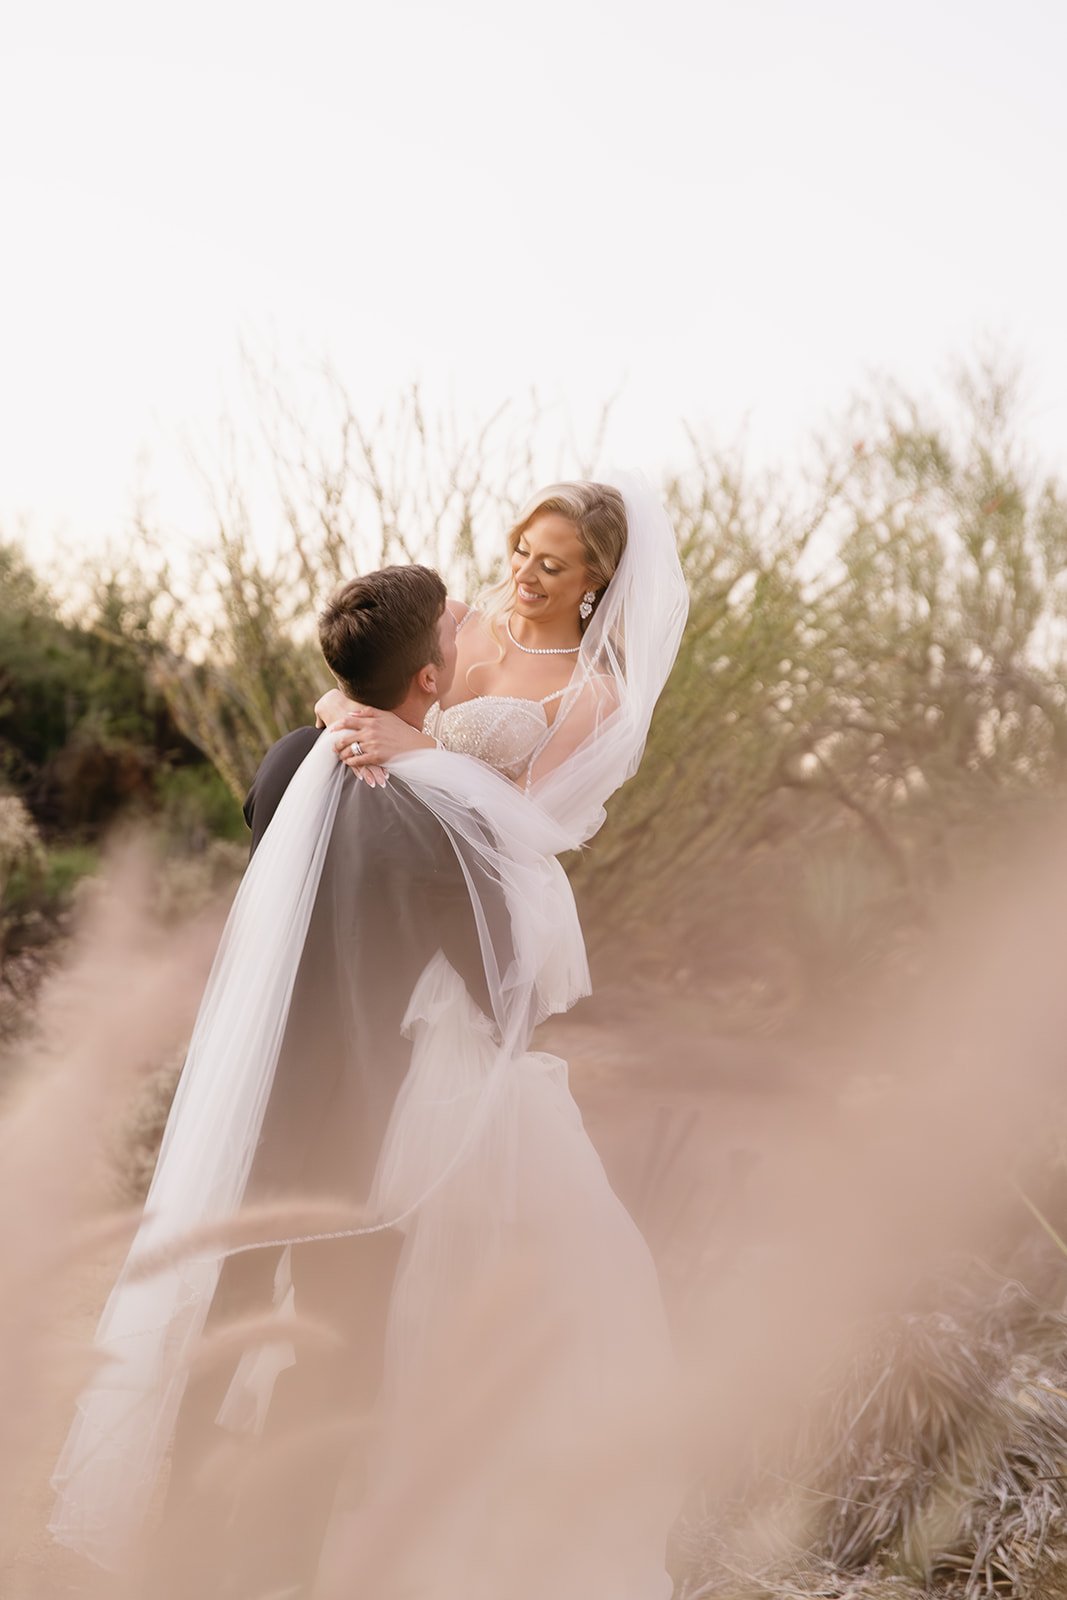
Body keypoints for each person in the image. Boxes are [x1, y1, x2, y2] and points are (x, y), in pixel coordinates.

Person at [50, 469, 689, 1600]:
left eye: (552, 563)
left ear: (598, 579)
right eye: (519, 550)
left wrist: (407, 750)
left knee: (421, 1252)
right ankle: (258, 1527)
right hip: (363, 909)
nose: (524, 575)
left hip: (444, 937)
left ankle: (369, 1512)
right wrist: (352, 721)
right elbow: (372, 694)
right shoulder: (458, 624)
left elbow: (520, 827)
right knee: (317, 1257)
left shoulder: (593, 696)